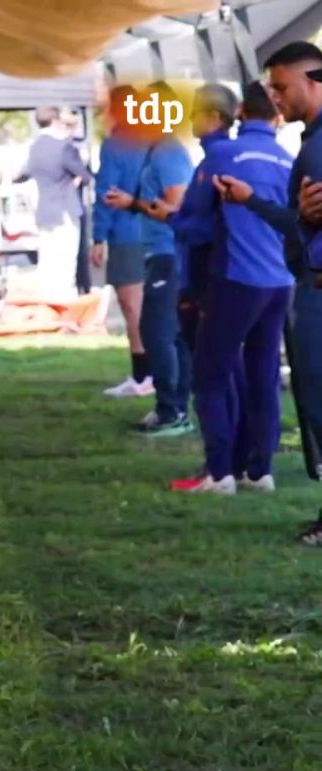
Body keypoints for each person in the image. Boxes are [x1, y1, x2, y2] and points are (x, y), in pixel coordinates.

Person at [165, 82, 292, 494]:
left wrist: (169, 217)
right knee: (263, 374)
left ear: (237, 113)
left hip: (236, 279)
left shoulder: (224, 156)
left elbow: (196, 225)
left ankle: (219, 472)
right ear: (275, 115)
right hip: (280, 282)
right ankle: (259, 470)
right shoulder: (288, 159)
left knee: (211, 375)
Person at [224, 41, 322, 542]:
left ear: (314, 79)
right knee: (309, 400)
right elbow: (302, 223)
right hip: (300, 284)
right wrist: (264, 205)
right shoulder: (305, 145)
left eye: (282, 87)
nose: (276, 98)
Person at [103, 83, 195, 437]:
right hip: (161, 252)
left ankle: (171, 410)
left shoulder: (168, 153)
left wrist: (133, 203)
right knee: (168, 334)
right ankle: (175, 408)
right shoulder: (158, 150)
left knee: (158, 334)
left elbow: (177, 206)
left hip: (169, 253)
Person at [92, 86, 155, 398]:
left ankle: (143, 375)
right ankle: (157, 374)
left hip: (127, 235)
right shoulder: (157, 142)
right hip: (158, 233)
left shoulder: (115, 145)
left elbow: (107, 191)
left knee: (134, 310)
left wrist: (98, 236)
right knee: (154, 308)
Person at [16, 107, 92, 300]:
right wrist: (74, 182)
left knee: (49, 262)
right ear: (56, 120)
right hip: (65, 210)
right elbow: (85, 175)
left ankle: (49, 304)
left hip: (44, 211)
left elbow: (23, 174)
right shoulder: (63, 147)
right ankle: (65, 304)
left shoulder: (34, 148)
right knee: (66, 262)